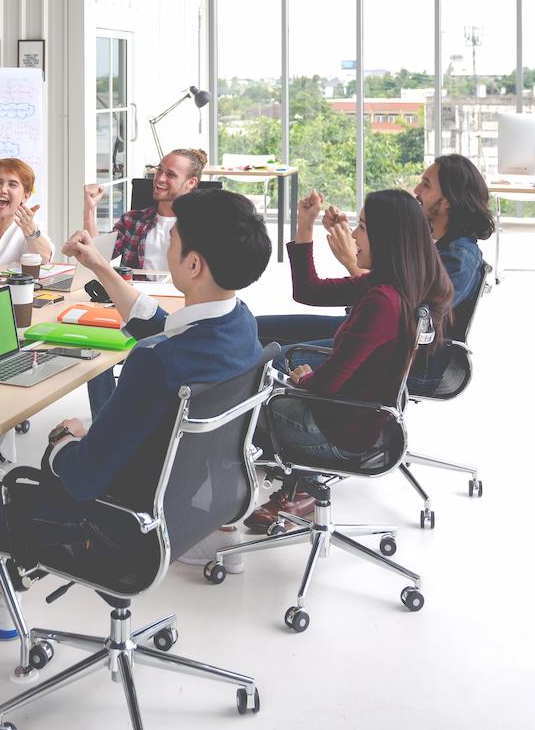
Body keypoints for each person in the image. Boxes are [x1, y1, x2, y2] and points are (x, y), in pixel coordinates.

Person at [0, 189, 272, 730]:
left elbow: (80, 478)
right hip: (178, 514)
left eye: (174, 239)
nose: (169, 242)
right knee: (30, 485)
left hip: (111, 530)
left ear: (193, 264)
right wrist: (100, 266)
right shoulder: (238, 324)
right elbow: (160, 325)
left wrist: (65, 437)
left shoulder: (157, 364)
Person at [244, 187, 453, 532]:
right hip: (358, 420)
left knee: (238, 402)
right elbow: (308, 290)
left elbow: (325, 384)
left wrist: (302, 378)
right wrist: (305, 225)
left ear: (388, 238)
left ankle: (223, 504)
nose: (354, 235)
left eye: (363, 227)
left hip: (337, 431)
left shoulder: (382, 301)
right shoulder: (395, 285)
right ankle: (288, 488)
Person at [255, 154, 492, 353]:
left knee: (263, 361)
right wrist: (306, 224)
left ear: (448, 201)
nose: (417, 190)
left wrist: (352, 262)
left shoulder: (459, 258)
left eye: (426, 185)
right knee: (254, 330)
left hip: (390, 356)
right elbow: (308, 291)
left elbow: (402, 322)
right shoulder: (436, 248)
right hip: (368, 333)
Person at [80, 147, 208, 417]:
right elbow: (98, 257)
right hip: (134, 310)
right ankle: (104, 423)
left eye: (170, 174)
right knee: (96, 346)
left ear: (191, 183)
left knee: (152, 356)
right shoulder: (134, 220)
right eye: (158, 171)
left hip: (177, 315)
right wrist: (90, 210)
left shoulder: (201, 226)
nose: (159, 178)